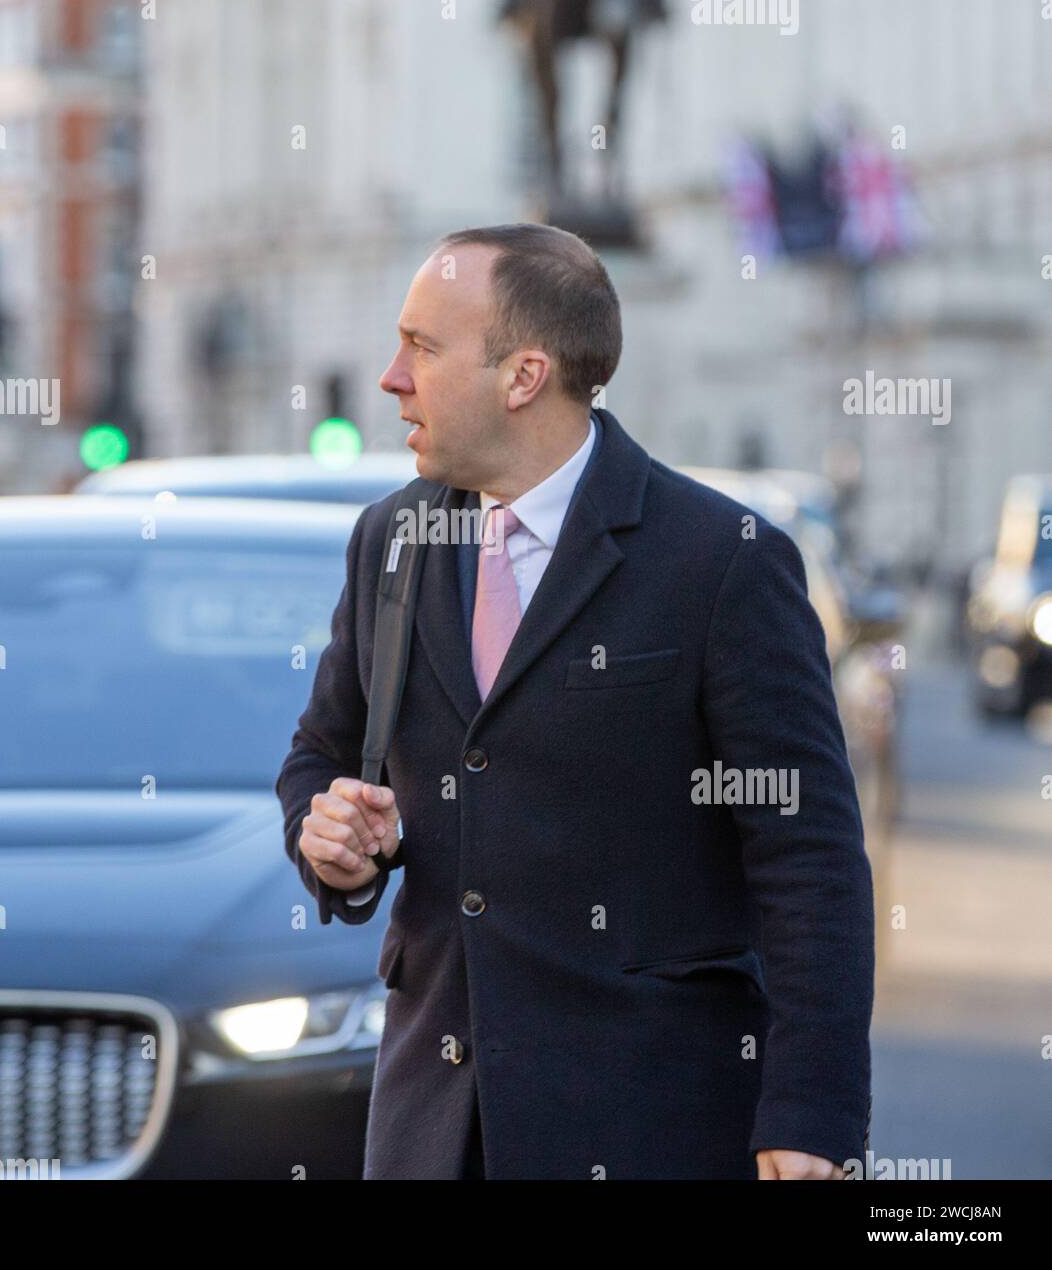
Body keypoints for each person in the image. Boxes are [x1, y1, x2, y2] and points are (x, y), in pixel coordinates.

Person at [276, 222, 874, 1180]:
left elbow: (808, 859)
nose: (391, 377)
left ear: (524, 376)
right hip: (430, 1130)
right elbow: (320, 755)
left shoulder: (721, 560)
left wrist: (810, 1111)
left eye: (423, 348)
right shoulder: (388, 538)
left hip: (651, 1127)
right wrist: (329, 835)